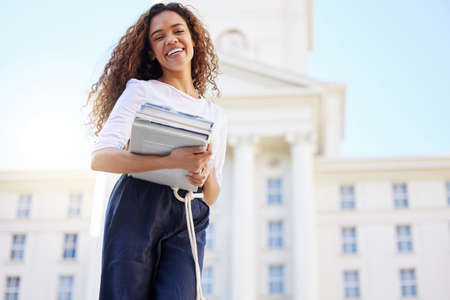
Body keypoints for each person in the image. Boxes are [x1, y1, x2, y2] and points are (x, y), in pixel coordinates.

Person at [87, 2, 227, 300]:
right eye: (159, 36)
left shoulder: (216, 114)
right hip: (138, 204)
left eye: (178, 31)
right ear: (152, 51)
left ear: (193, 40)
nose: (171, 40)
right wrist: (168, 161)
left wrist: (204, 171)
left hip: (189, 210)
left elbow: (211, 196)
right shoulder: (141, 90)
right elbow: (101, 158)